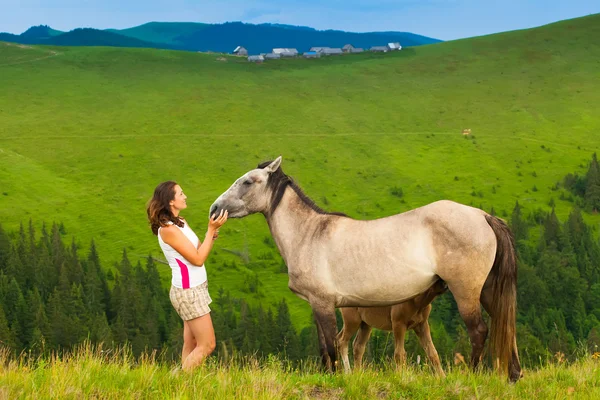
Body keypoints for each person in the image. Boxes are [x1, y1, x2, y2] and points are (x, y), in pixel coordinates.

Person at [146, 181, 228, 372]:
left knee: (190, 343)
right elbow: (198, 260)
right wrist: (209, 230)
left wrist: (211, 235)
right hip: (188, 292)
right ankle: (177, 381)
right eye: (181, 194)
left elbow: (198, 250)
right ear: (171, 201)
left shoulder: (180, 222)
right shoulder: (168, 230)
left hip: (195, 288)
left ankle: (186, 386)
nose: (185, 196)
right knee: (207, 345)